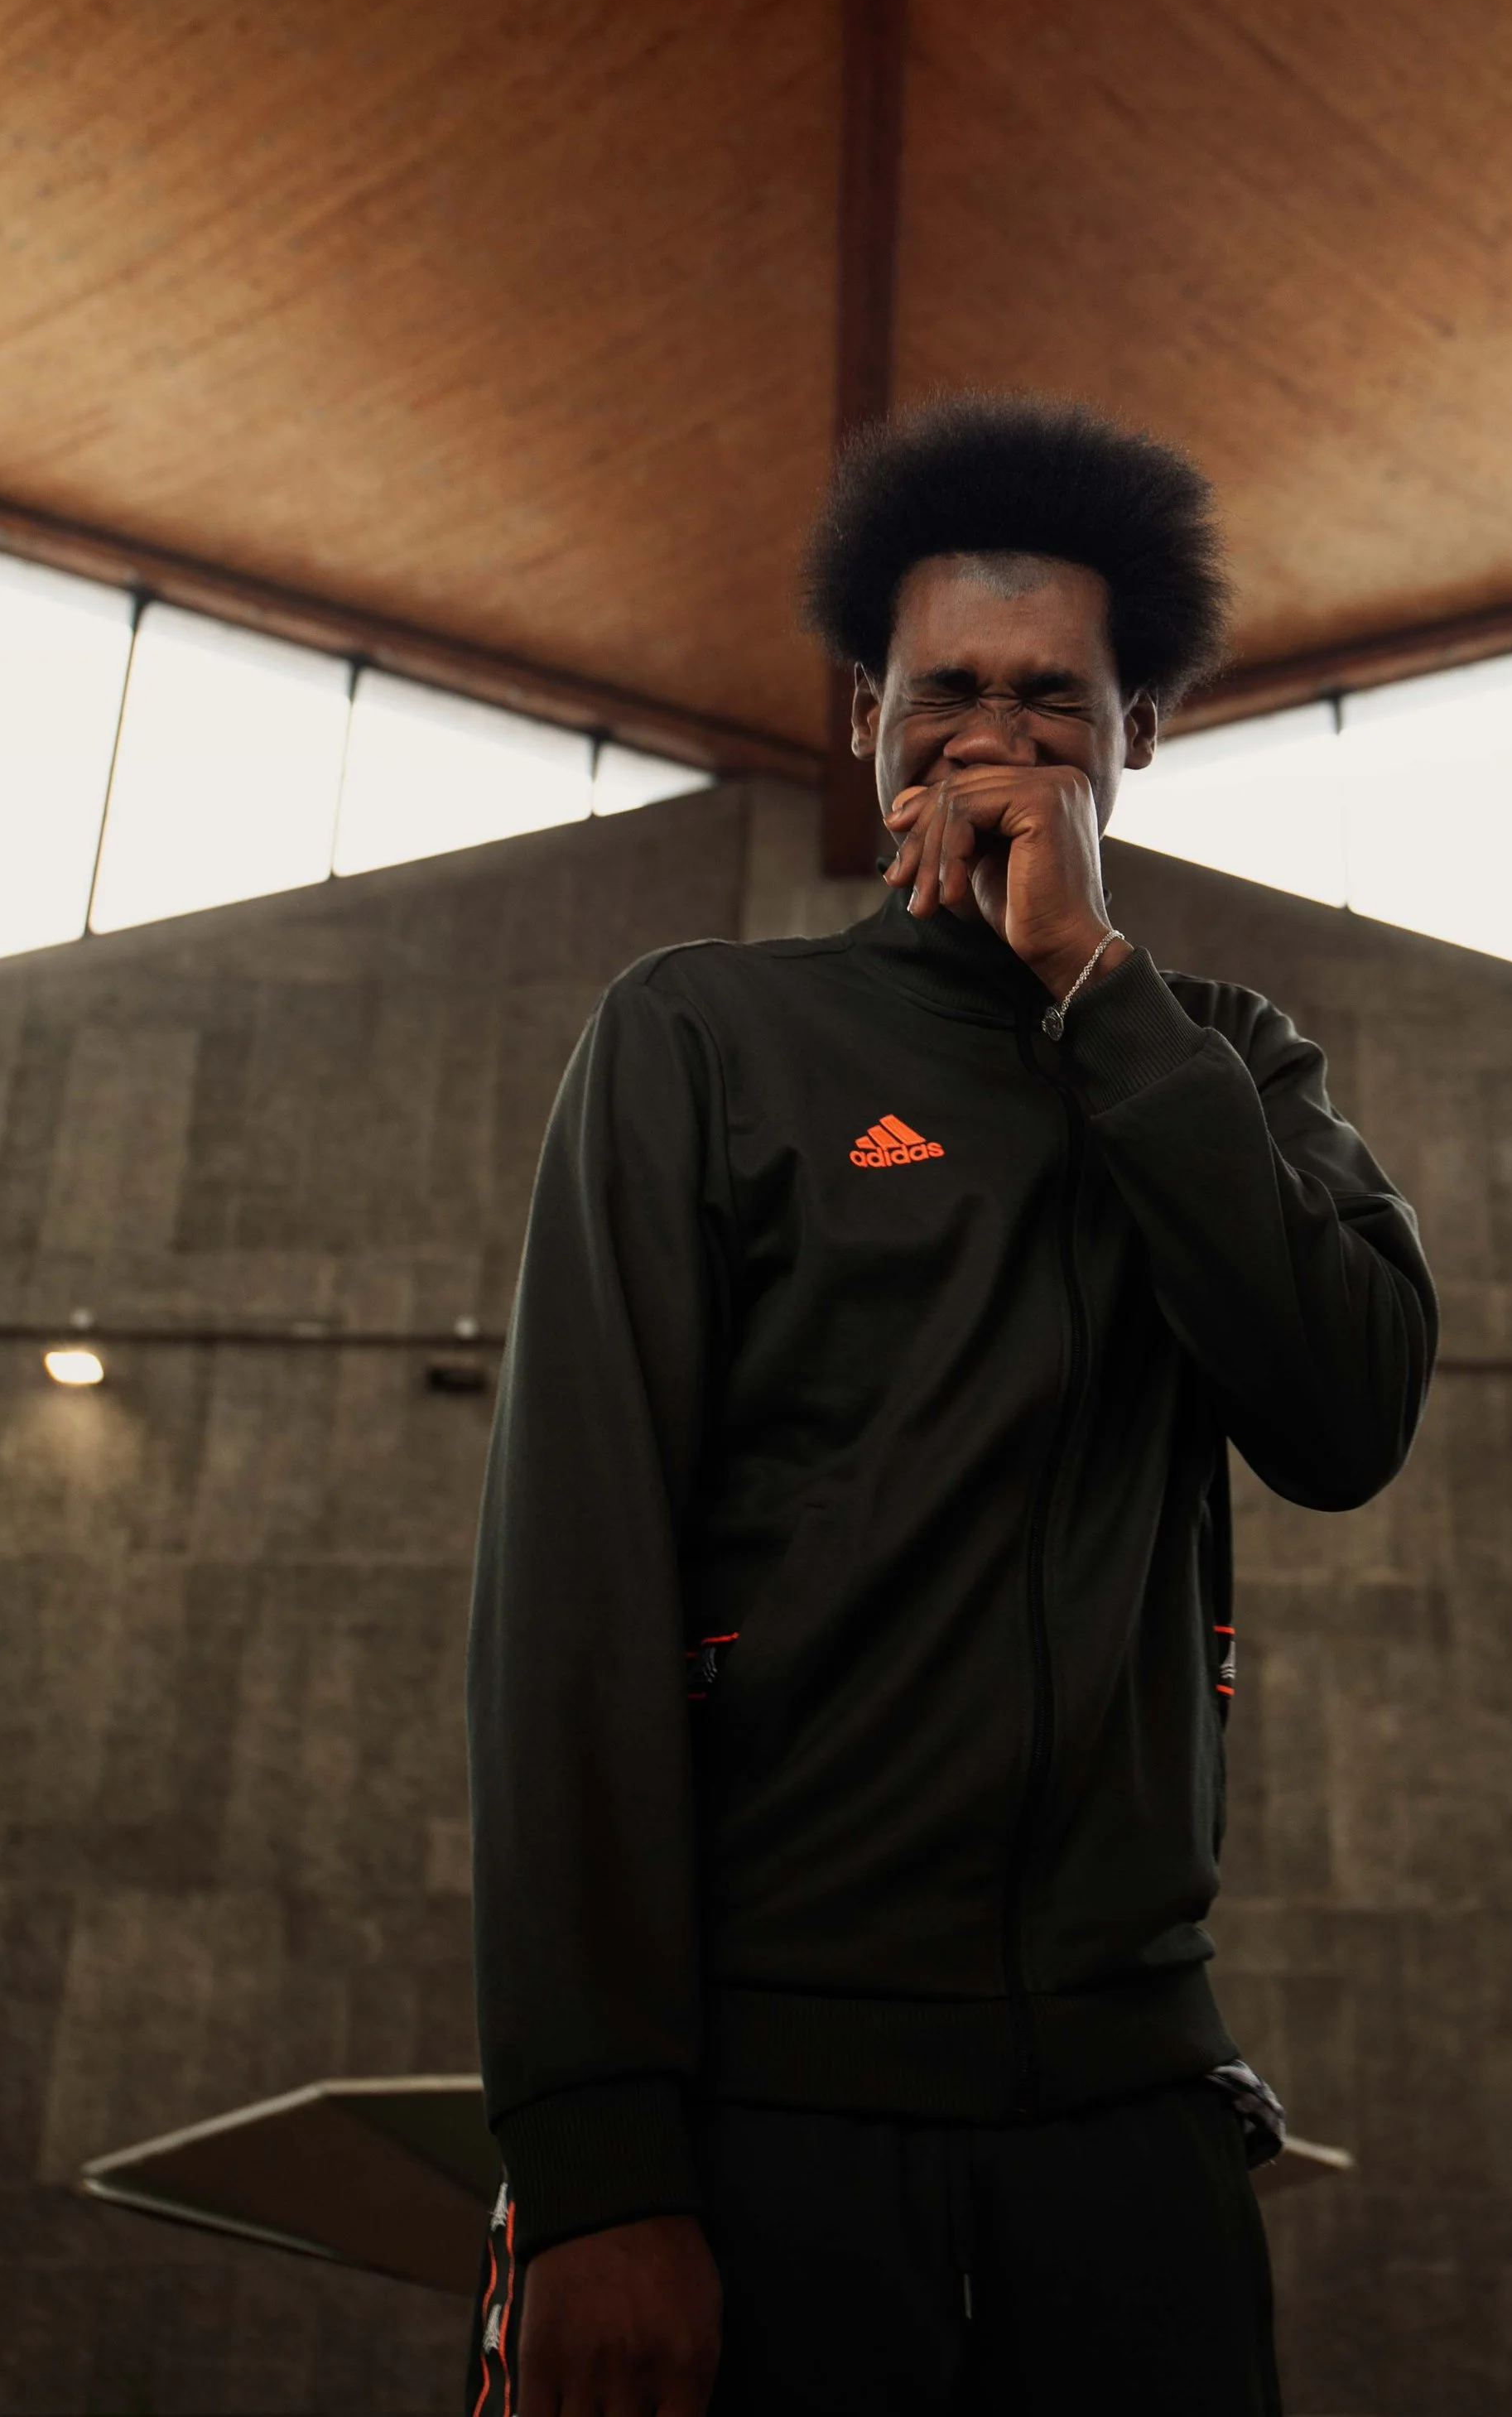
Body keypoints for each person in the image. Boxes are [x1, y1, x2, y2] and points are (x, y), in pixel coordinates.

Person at [465, 396, 1438, 2417]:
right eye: (946, 696)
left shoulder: (1224, 1064)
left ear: (1138, 732)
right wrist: (593, 2172)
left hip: (1130, 2104)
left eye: (1054, 702)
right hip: (776, 2116)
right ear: (860, 713)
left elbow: (1343, 1416)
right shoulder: (701, 1035)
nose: (994, 739)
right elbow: (570, 1609)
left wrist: (1094, 982)